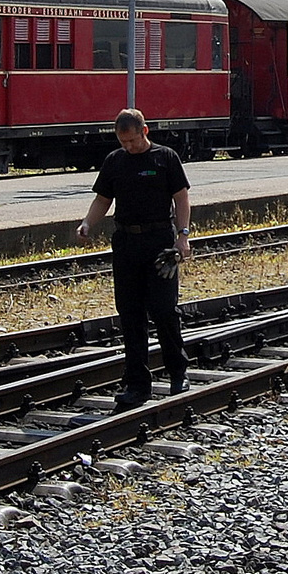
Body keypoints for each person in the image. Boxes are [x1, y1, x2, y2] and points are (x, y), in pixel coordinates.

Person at [79, 109, 193, 410]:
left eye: (131, 140)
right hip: (127, 242)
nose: (128, 146)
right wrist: (88, 223)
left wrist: (183, 235)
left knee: (164, 309)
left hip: (160, 244)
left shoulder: (165, 157)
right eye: (123, 141)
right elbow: (103, 199)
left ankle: (177, 371)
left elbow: (181, 197)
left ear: (145, 131)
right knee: (130, 314)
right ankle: (137, 384)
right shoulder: (115, 161)